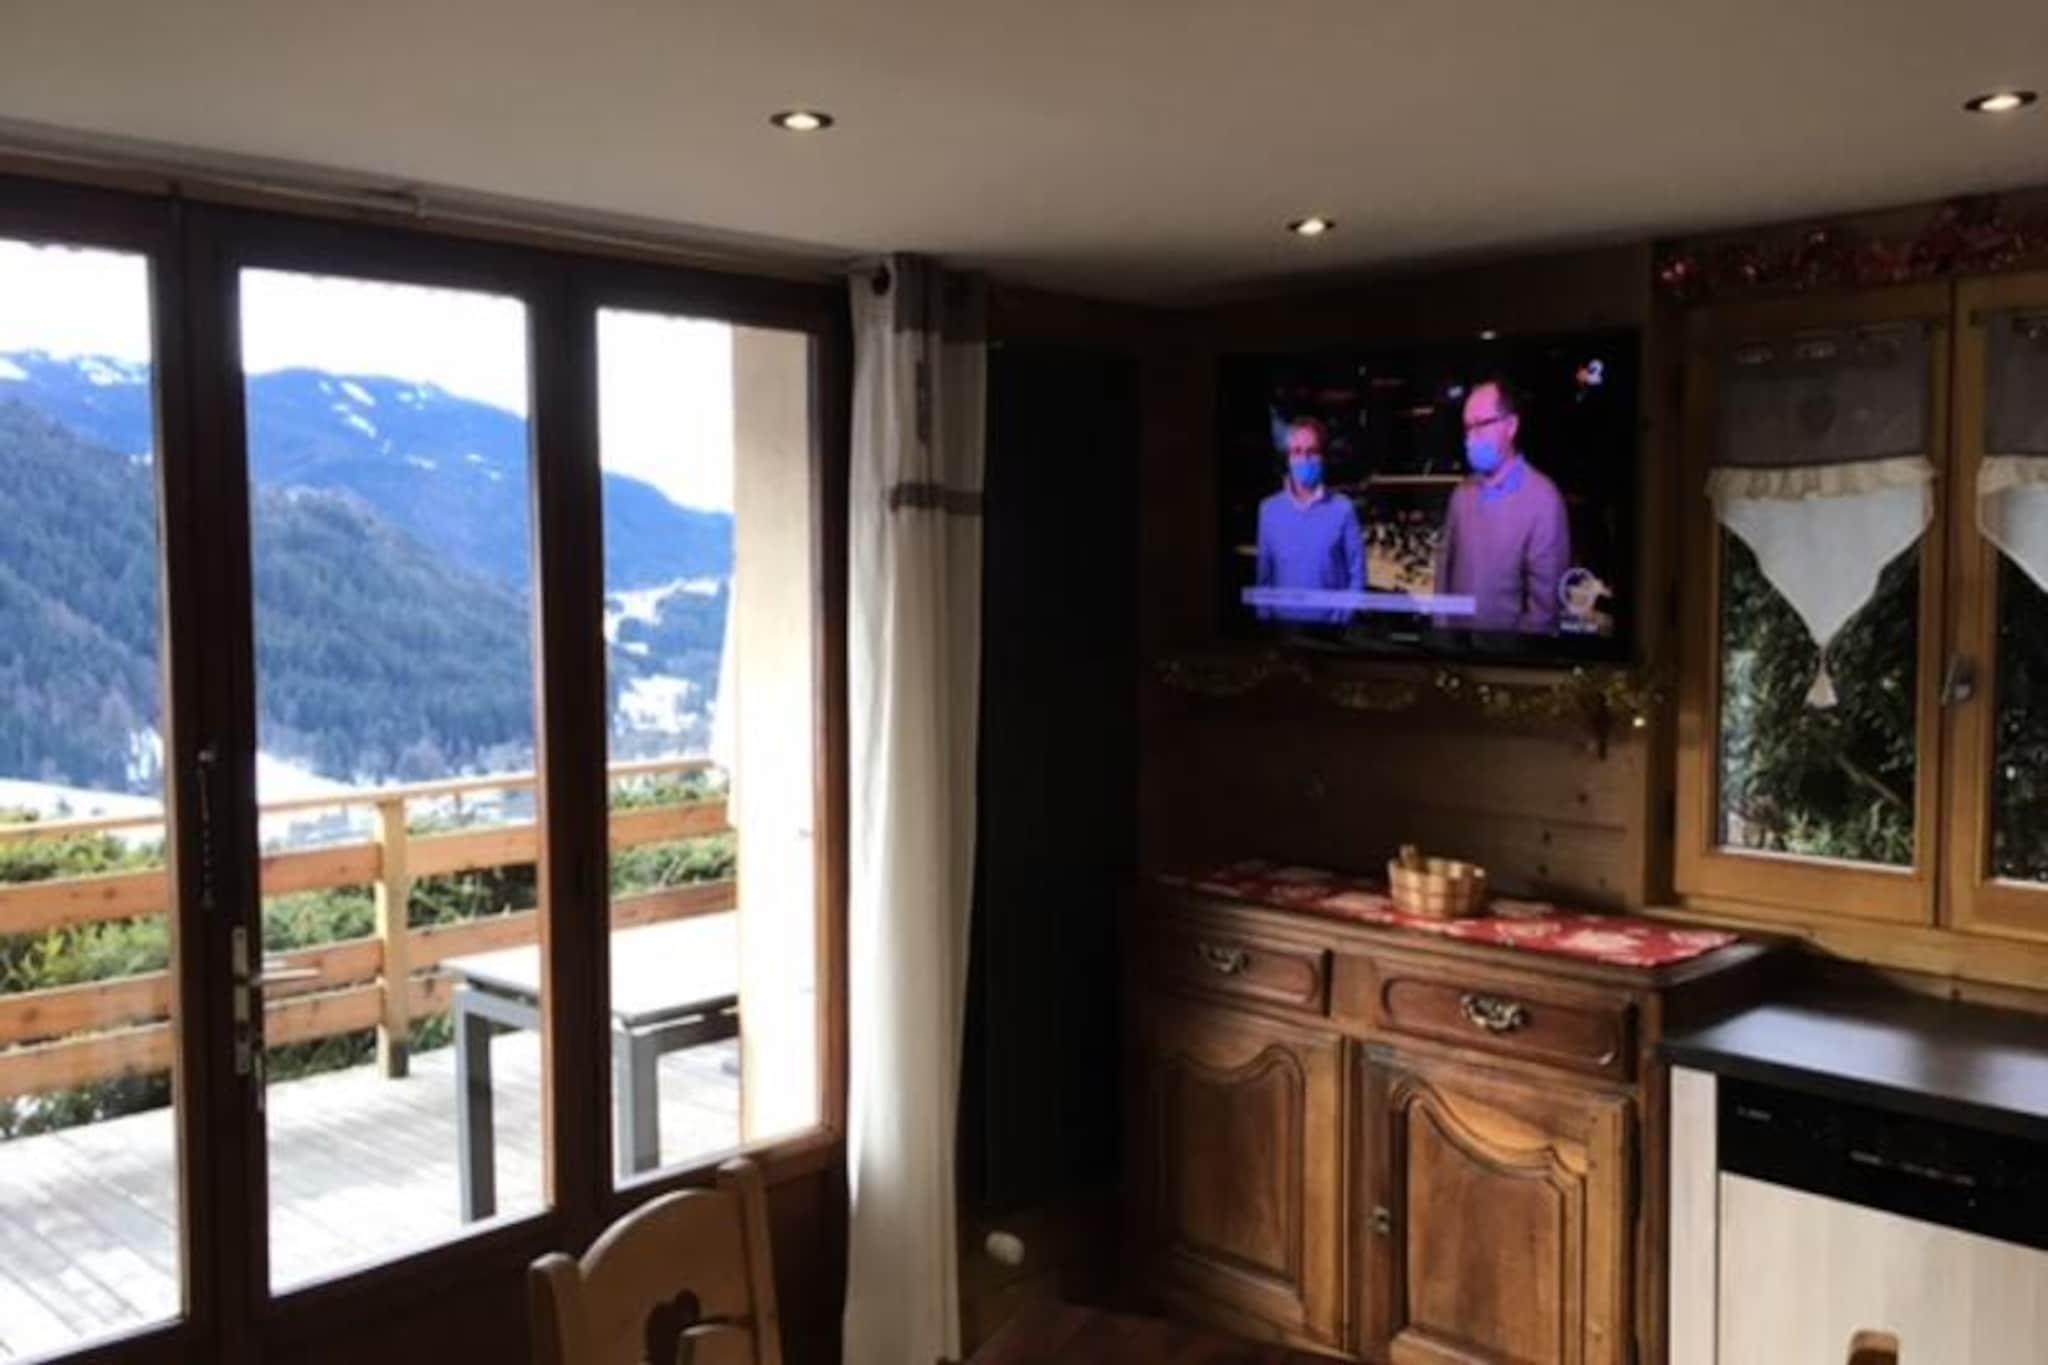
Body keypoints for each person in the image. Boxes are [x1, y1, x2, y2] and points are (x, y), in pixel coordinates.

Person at [1437, 378, 1571, 634]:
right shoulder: (1461, 495)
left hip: (1510, 656)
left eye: (1481, 425)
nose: (1471, 438)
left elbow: (1543, 613)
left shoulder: (1544, 500)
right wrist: (1442, 640)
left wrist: (1504, 654)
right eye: (1467, 428)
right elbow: (1443, 578)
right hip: (1454, 650)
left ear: (1511, 426)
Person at [1254, 417, 1364, 624]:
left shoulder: (1343, 510)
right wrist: (1267, 624)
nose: (1304, 458)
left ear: (1322, 457)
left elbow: (1357, 576)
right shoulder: (1268, 511)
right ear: (1288, 458)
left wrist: (1341, 620)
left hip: (1332, 634)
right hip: (1282, 634)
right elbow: (1263, 579)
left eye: (1311, 451)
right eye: (1297, 451)